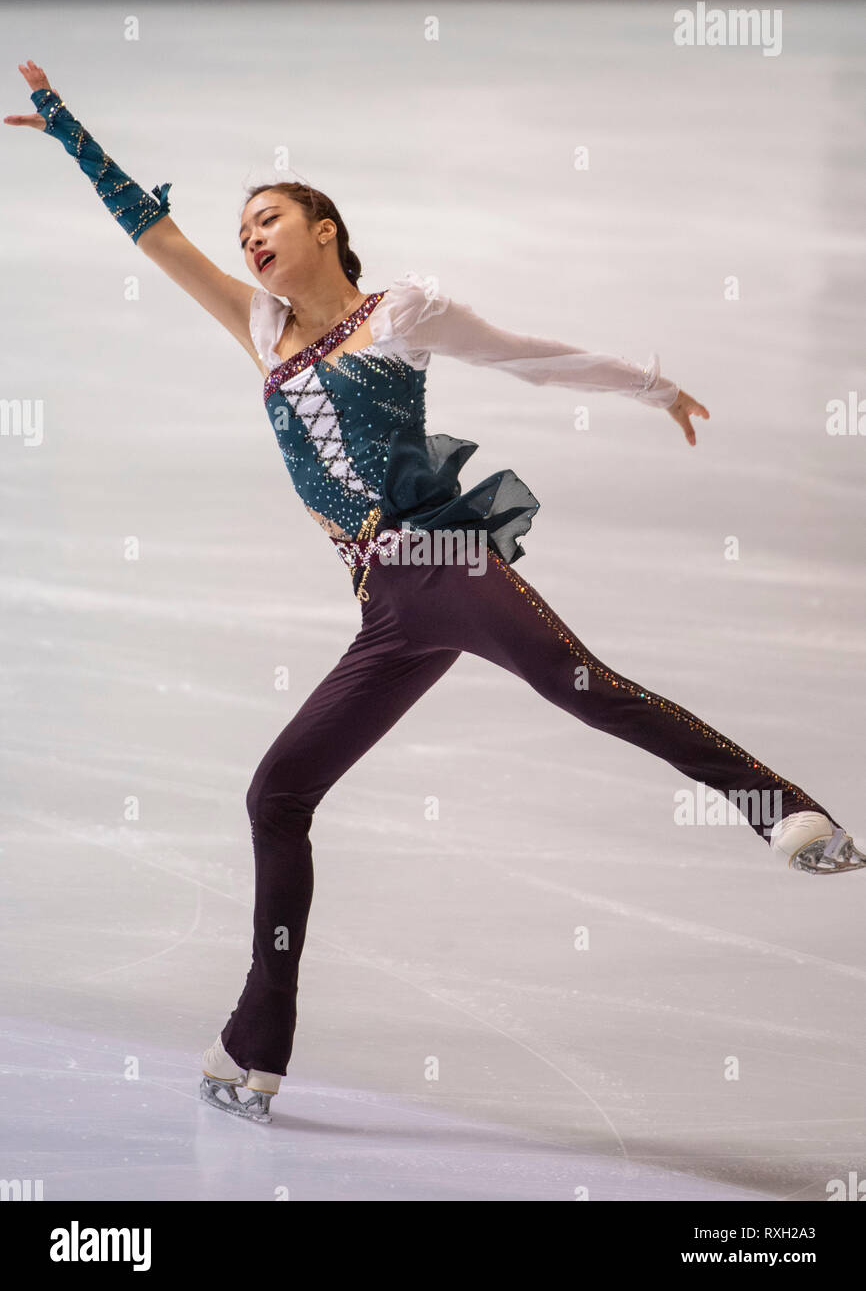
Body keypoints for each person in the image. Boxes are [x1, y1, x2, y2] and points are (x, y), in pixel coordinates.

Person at [8, 60, 863, 1127]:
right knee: (277, 792)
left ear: (325, 228)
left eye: (269, 219)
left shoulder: (398, 315)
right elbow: (156, 236)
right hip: (386, 609)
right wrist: (68, 131)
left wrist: (647, 382)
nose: (250, 240)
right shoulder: (262, 332)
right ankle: (256, 1043)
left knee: (580, 684)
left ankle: (781, 806)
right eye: (243, 231)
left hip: (442, 563)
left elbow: (528, 361)